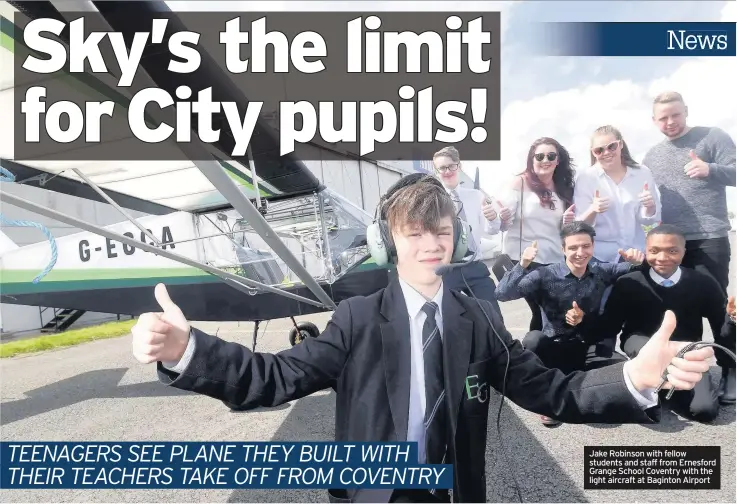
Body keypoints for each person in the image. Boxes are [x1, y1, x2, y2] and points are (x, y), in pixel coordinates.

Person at [131, 179, 714, 504]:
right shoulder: (357, 319)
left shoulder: (481, 321)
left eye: (441, 229)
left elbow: (552, 393)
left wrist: (636, 377)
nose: (431, 243)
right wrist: (187, 349)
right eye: (415, 231)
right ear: (389, 241)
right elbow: (274, 378)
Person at [495, 221, 645, 426]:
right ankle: (544, 398)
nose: (580, 252)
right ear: (563, 249)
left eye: (586, 246)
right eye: (573, 247)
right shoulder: (544, 274)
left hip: (585, 345)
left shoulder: (602, 270)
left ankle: (583, 386)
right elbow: (502, 294)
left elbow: (642, 269)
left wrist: (637, 261)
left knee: (623, 371)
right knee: (533, 340)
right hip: (551, 345)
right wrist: (522, 264)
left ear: (593, 246)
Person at [595, 225, 736, 417]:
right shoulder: (629, 282)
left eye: (672, 251)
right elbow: (608, 326)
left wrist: (732, 319)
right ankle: (653, 379)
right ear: (646, 250)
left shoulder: (703, 283)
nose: (662, 258)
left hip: (685, 349)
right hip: (642, 342)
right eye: (654, 251)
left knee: (704, 410)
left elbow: (720, 329)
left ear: (684, 252)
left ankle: (667, 387)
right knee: (648, 354)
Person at [643, 91, 735, 294]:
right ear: (654, 121)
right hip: (669, 244)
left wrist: (710, 169)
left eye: (675, 115)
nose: (670, 122)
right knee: (679, 311)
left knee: (716, 306)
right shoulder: (651, 156)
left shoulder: (712, 136)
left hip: (709, 239)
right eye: (663, 118)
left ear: (686, 111)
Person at [495, 137, 577, 331]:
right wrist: (501, 215)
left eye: (551, 155)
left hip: (555, 260)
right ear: (531, 160)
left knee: (549, 310)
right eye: (539, 156)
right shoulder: (520, 183)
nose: (545, 160)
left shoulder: (562, 187)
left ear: (558, 160)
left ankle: (539, 352)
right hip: (526, 260)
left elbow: (563, 229)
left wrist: (567, 223)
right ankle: (535, 353)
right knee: (543, 309)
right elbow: (502, 221)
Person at [431, 146, 508, 318]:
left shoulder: (475, 196)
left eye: (451, 166)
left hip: (474, 265)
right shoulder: (431, 201)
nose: (448, 171)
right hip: (446, 269)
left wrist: (492, 218)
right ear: (436, 171)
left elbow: (492, 231)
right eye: (442, 168)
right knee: (449, 319)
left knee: (493, 316)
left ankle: (498, 345)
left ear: (459, 166)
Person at [574, 125, 662, 264]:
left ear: (620, 144)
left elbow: (649, 221)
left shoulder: (642, 173)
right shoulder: (586, 178)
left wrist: (650, 206)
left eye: (611, 146)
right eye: (599, 150)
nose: (606, 152)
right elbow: (579, 226)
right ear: (593, 152)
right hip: (600, 257)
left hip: (636, 253)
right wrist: (593, 209)